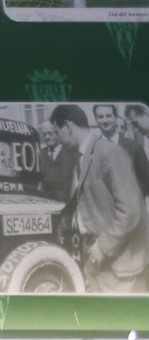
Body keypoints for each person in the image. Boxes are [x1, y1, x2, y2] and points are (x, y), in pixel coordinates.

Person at [51, 104, 146, 293]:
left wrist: (102, 247)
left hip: (120, 268)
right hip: (100, 262)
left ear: (68, 127)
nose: (57, 139)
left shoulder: (110, 153)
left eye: (57, 132)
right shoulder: (83, 156)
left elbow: (130, 211)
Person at [38, 124, 76, 203]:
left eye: (50, 133)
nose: (47, 137)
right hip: (45, 202)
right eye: (44, 134)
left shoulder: (70, 154)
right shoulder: (40, 154)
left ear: (58, 134)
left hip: (66, 202)